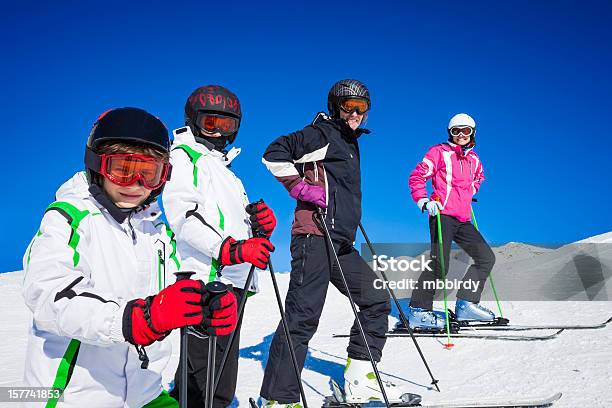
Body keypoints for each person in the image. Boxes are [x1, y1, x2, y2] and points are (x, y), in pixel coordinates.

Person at [22, 107, 238, 407]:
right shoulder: (70, 219)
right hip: (74, 397)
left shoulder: (155, 234)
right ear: (98, 165)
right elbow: (49, 294)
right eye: (123, 169)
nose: (136, 183)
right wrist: (134, 319)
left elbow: (177, 289)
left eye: (149, 173)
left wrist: (203, 307)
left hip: (144, 393)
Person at [259, 79, 418, 405]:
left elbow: (335, 185)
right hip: (314, 237)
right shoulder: (321, 133)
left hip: (341, 242)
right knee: (302, 318)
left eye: (362, 108)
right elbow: (273, 153)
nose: (356, 114)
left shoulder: (349, 142)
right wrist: (299, 188)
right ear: (336, 107)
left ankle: (360, 379)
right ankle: (278, 399)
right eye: (350, 107)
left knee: (376, 300)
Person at [163, 85, 276, 407]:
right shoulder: (184, 157)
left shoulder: (225, 171)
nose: (219, 133)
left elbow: (229, 224)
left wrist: (259, 227)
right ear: (194, 120)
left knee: (222, 375)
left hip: (234, 279)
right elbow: (183, 217)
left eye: (228, 126)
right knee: (201, 375)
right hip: (206, 279)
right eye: (211, 124)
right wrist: (230, 249)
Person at [406, 113, 497, 331]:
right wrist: (425, 201)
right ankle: (418, 311)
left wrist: (468, 193)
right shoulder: (439, 152)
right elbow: (417, 177)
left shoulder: (474, 160)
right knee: (441, 264)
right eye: (456, 131)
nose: (461, 135)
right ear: (450, 133)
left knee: (485, 257)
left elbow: (479, 178)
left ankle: (466, 304)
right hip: (442, 215)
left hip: (463, 218)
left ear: (472, 133)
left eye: (466, 130)